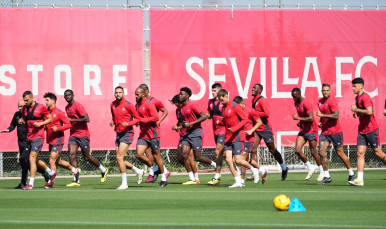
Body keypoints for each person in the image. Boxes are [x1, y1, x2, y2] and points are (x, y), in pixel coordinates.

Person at [64, 89, 108, 187]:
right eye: (66, 96)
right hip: (73, 135)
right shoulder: (66, 107)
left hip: (83, 134)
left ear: (73, 95)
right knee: (71, 155)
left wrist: (71, 120)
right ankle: (76, 180)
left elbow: (87, 118)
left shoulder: (78, 106)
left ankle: (103, 170)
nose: (67, 97)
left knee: (86, 157)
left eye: (69, 95)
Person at [0, 100, 49, 189]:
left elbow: (42, 122)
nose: (20, 108)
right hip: (21, 141)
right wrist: (8, 129)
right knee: (26, 163)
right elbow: (12, 125)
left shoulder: (28, 114)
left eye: (22, 106)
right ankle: (43, 172)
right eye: (19, 106)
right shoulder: (17, 114)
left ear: (26, 105)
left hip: (28, 140)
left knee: (23, 159)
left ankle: (23, 183)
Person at [217, 89, 260, 188]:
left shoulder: (235, 106)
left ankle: (254, 170)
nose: (221, 101)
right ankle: (238, 181)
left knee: (238, 160)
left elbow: (245, 120)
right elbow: (228, 120)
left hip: (236, 136)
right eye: (220, 100)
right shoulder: (224, 107)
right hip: (228, 137)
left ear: (226, 96)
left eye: (222, 99)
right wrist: (221, 122)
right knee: (228, 159)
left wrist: (234, 128)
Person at [348, 78, 386, 186]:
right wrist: (356, 113)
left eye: (355, 86)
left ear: (361, 86)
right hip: (362, 130)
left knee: (378, 153)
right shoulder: (357, 98)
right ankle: (360, 180)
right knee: (359, 153)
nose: (353, 88)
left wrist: (356, 110)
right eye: (352, 86)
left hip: (371, 129)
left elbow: (369, 112)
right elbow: (361, 112)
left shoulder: (365, 97)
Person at [316, 84, 355, 185]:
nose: (325, 92)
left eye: (327, 90)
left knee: (340, 153)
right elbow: (322, 114)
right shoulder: (320, 102)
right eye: (324, 90)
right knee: (321, 152)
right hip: (325, 132)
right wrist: (321, 121)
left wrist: (322, 115)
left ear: (330, 91)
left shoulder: (332, 101)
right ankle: (327, 176)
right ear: (321, 91)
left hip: (335, 131)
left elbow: (336, 115)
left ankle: (351, 173)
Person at [177, 87, 216, 183]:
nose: (180, 96)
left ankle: (216, 165)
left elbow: (203, 117)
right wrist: (178, 126)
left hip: (196, 132)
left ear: (187, 95)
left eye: (182, 94)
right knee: (184, 155)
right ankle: (192, 179)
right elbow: (184, 122)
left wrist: (190, 124)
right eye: (180, 94)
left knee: (198, 157)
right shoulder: (181, 108)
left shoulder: (193, 105)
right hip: (187, 133)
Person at [251, 84, 288, 181]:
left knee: (272, 150)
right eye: (252, 88)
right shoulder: (254, 100)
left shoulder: (262, 100)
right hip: (257, 128)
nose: (252, 89)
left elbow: (267, 114)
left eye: (254, 88)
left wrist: (255, 112)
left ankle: (284, 168)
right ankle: (256, 172)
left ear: (260, 90)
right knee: (253, 150)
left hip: (265, 128)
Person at [42, 92, 80, 188]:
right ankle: (75, 171)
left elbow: (68, 124)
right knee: (58, 161)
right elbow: (46, 125)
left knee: (51, 160)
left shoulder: (59, 112)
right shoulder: (46, 113)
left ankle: (51, 183)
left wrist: (58, 128)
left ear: (53, 101)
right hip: (50, 140)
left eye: (47, 100)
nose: (45, 102)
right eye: (45, 100)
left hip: (58, 140)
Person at [110, 86, 145, 190]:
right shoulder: (112, 104)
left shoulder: (129, 105)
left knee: (119, 158)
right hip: (118, 133)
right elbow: (113, 116)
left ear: (123, 93)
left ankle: (124, 184)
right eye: (116, 92)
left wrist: (129, 123)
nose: (118, 94)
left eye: (120, 92)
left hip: (127, 133)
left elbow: (138, 119)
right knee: (119, 160)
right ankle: (138, 171)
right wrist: (113, 122)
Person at [18, 91, 54, 190]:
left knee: (31, 159)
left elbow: (50, 119)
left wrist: (41, 124)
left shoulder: (41, 107)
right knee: (36, 161)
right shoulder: (25, 108)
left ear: (32, 98)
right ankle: (51, 173)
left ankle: (31, 184)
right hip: (29, 136)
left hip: (38, 136)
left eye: (27, 100)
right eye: (24, 100)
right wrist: (22, 121)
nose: (25, 102)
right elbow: (25, 120)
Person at [134, 87, 168, 188]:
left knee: (157, 156)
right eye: (135, 94)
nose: (135, 96)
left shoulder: (151, 103)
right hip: (143, 134)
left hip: (153, 134)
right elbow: (138, 117)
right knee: (139, 154)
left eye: (137, 94)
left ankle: (163, 179)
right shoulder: (137, 104)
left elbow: (156, 117)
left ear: (144, 94)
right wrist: (136, 121)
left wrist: (143, 120)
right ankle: (155, 169)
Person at [233, 96, 267, 185]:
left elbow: (259, 122)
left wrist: (251, 131)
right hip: (239, 137)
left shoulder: (251, 111)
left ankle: (242, 180)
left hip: (248, 138)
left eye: (238, 106)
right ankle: (262, 170)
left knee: (242, 158)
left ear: (243, 103)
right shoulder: (235, 110)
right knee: (246, 160)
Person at [291, 88, 324, 181]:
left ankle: (322, 172)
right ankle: (311, 168)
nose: (293, 98)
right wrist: (300, 122)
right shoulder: (296, 102)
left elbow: (311, 118)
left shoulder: (306, 103)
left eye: (295, 96)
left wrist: (298, 118)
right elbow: (303, 117)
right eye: (292, 96)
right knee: (297, 150)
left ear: (299, 94)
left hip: (311, 130)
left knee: (313, 152)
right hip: (303, 130)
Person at [170, 95, 199, 184]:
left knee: (189, 158)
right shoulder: (178, 110)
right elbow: (179, 122)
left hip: (188, 135)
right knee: (180, 158)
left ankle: (196, 178)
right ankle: (192, 172)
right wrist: (176, 127)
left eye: (178, 105)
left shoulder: (188, 108)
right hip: (181, 136)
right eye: (175, 105)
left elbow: (193, 120)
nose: (177, 107)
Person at [206, 83, 226, 185]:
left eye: (215, 91)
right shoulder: (210, 102)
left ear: (220, 91)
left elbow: (229, 116)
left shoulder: (224, 102)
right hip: (215, 131)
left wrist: (222, 121)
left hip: (224, 130)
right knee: (225, 155)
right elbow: (210, 115)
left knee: (217, 152)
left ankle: (217, 176)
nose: (213, 92)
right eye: (212, 91)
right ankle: (239, 172)